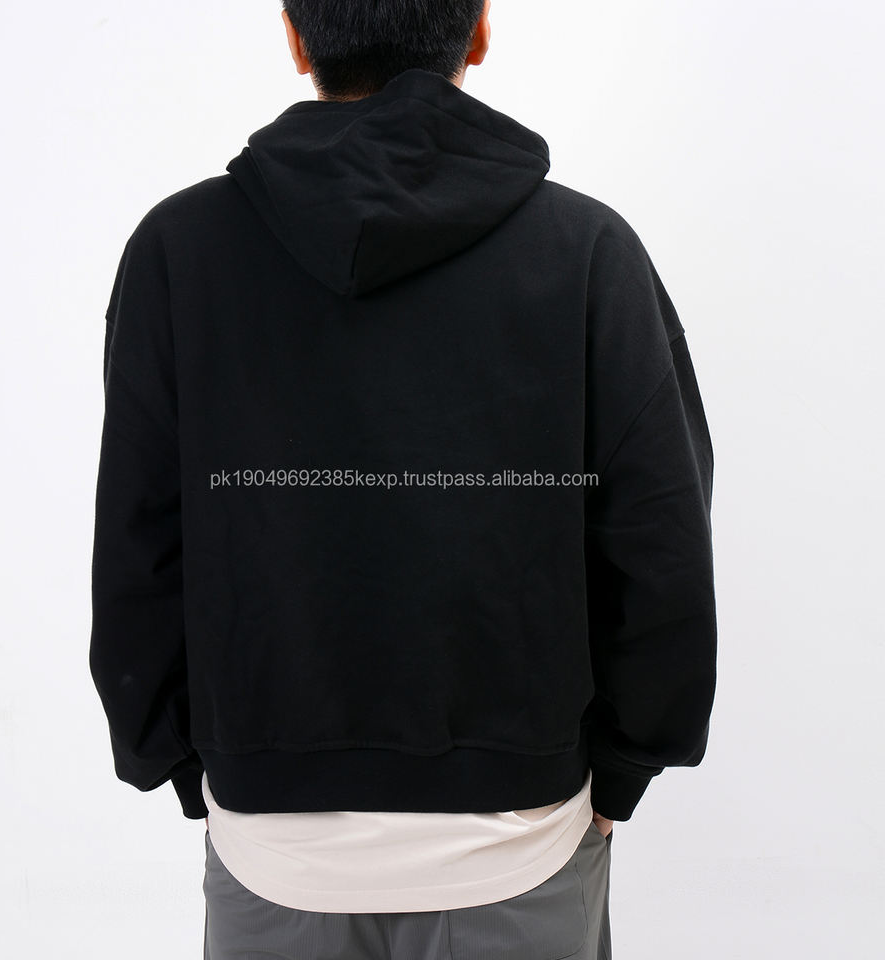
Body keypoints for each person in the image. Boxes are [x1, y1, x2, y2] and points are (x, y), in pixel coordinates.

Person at [88, 1, 718, 957]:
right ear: (479, 31)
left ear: (296, 37)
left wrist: (176, 759)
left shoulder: (177, 252)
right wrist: (629, 762)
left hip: (272, 846)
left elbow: (139, 541)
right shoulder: (587, 251)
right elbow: (661, 536)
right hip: (519, 841)